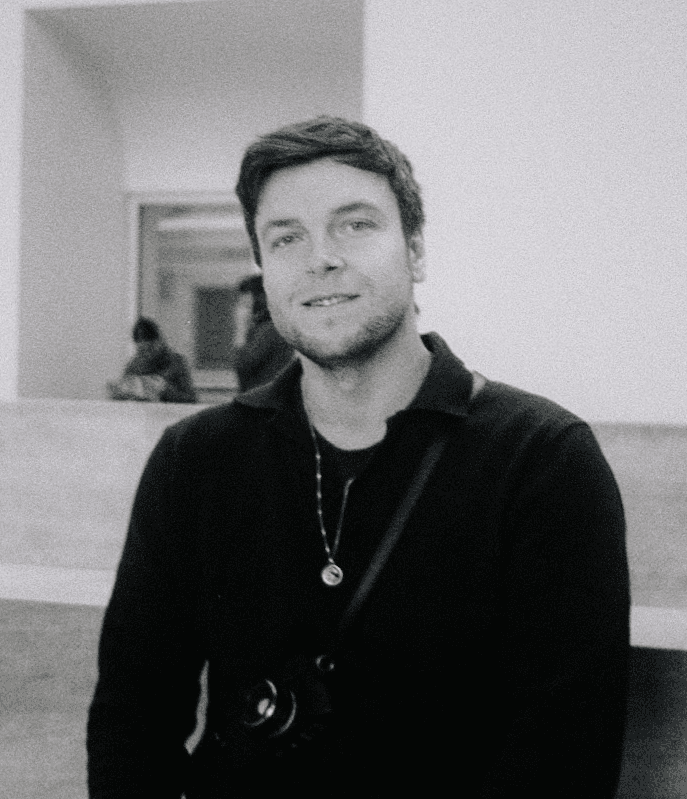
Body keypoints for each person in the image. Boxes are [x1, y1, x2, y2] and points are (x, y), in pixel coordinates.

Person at [88, 117, 629, 798]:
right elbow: (133, 719)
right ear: (263, 267)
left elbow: (563, 756)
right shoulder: (196, 459)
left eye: (354, 224)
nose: (319, 258)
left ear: (415, 250)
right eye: (286, 237)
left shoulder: (541, 460)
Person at [107, 317, 197, 404]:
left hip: (168, 416)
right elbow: (123, 402)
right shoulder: (134, 365)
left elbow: (191, 400)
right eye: (141, 351)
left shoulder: (177, 363)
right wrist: (119, 393)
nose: (146, 355)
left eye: (150, 349)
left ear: (159, 342)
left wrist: (165, 390)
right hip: (141, 416)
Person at [231, 273, 295, 392]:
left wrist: (240, 329)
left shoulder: (269, 330)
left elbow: (243, 366)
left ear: (259, 300)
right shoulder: (271, 327)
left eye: (245, 304)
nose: (240, 308)